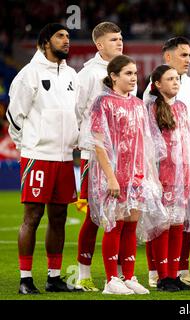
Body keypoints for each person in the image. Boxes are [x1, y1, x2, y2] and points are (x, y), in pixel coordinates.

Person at [6, 23, 80, 294]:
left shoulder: (72, 74)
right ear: (45, 42)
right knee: (33, 215)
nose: (66, 40)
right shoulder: (29, 74)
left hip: (64, 158)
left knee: (59, 215)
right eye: (60, 36)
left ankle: (54, 277)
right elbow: (15, 116)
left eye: (68, 36)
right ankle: (25, 279)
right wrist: (27, 146)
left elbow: (76, 114)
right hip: (38, 156)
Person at [88, 55, 168, 295]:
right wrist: (110, 177)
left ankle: (129, 276)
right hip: (113, 174)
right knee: (115, 224)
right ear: (113, 76)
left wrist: (150, 176)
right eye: (128, 74)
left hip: (136, 175)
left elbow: (145, 143)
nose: (133, 78)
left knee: (131, 225)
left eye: (135, 73)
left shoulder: (136, 104)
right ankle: (111, 279)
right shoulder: (102, 102)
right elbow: (98, 143)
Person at [143, 36, 190, 287]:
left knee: (178, 222)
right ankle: (160, 274)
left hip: (182, 174)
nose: (175, 82)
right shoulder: (151, 106)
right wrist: (152, 176)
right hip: (162, 175)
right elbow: (149, 144)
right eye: (170, 79)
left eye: (176, 79)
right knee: (161, 224)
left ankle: (174, 273)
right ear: (157, 84)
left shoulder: (182, 107)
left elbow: (188, 140)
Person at [75, 21, 125, 292]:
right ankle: (83, 274)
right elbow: (78, 110)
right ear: (99, 44)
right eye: (114, 39)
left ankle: (118, 275)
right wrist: (88, 142)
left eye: (121, 38)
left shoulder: (126, 69)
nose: (119, 42)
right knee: (94, 216)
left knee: (120, 215)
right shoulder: (88, 75)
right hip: (94, 155)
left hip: (123, 157)